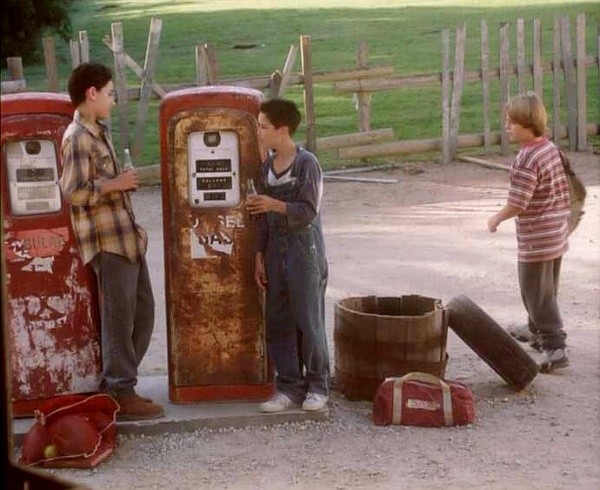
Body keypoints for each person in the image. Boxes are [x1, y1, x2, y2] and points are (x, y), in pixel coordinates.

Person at [59, 62, 164, 419]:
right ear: (92, 93)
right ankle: (121, 388)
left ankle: (118, 383)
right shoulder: (76, 137)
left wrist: (118, 185)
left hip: (126, 239)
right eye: (109, 94)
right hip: (106, 242)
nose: (113, 101)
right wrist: (114, 185)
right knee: (120, 318)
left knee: (144, 313)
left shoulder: (97, 132)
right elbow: (72, 191)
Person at [247, 99, 330, 412]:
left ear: (282, 130)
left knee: (310, 319)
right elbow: (261, 219)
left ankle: (318, 385)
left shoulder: (307, 163)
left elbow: (309, 210)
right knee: (278, 318)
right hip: (274, 252)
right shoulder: (266, 169)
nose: (259, 131)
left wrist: (274, 205)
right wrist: (258, 255)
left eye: (263, 126)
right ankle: (289, 386)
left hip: (303, 250)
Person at [487, 91, 570, 373]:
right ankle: (535, 329)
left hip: (537, 239)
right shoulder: (550, 149)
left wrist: (497, 218)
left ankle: (554, 346)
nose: (507, 128)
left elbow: (518, 202)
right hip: (556, 233)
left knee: (535, 293)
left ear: (527, 124)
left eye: (511, 123)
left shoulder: (526, 159)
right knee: (546, 287)